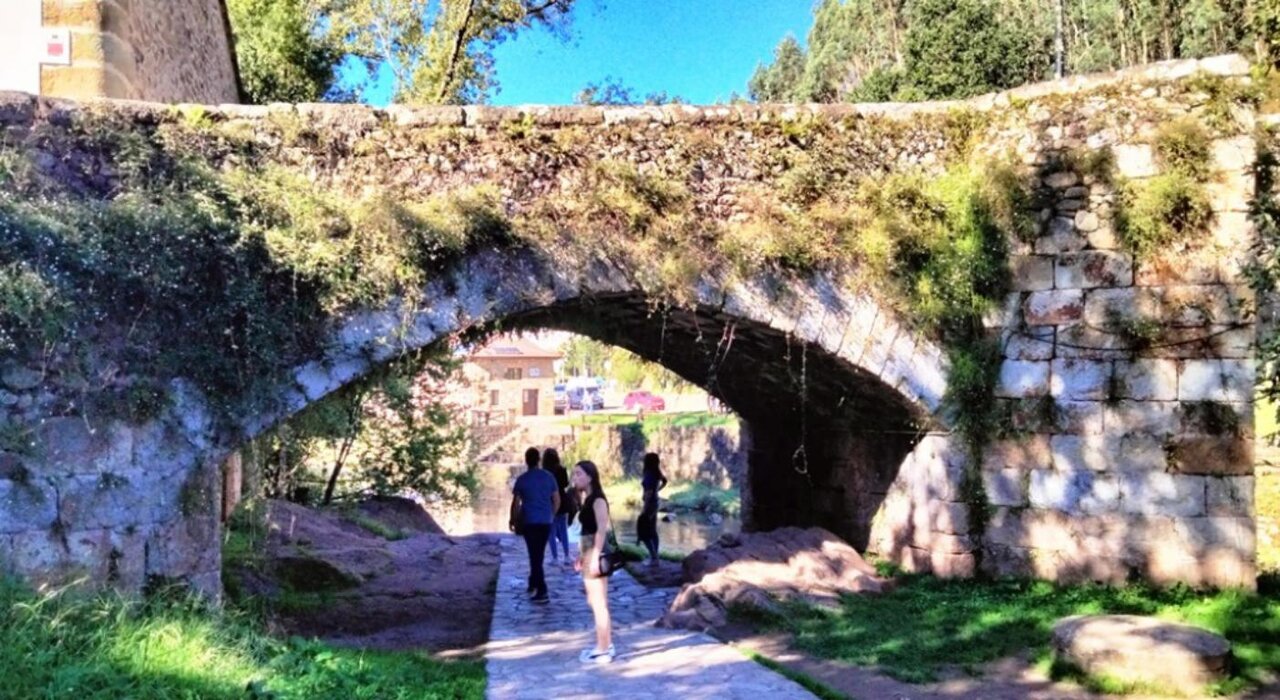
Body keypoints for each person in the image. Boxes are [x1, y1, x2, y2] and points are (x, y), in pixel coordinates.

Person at [572, 460, 614, 664]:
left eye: (579, 474)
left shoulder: (598, 500)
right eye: (574, 474)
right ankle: (606, 642)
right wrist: (582, 556)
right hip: (588, 551)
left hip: (595, 551)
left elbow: (601, 530)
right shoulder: (587, 498)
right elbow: (586, 531)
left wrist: (595, 555)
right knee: (594, 600)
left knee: (599, 602)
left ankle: (603, 648)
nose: (575, 478)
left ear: (590, 476)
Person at [510, 447, 560, 603]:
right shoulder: (549, 477)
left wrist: (512, 519)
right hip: (546, 522)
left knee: (534, 554)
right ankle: (533, 581)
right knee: (538, 554)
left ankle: (542, 589)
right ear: (538, 460)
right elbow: (557, 500)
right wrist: (551, 514)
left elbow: (516, 503)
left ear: (526, 460)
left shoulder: (522, 480)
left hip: (529, 522)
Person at [542, 448, 573, 564]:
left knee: (551, 531)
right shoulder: (562, 470)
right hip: (563, 501)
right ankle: (566, 556)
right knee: (564, 530)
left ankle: (554, 558)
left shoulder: (544, 473)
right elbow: (565, 484)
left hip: (550, 501)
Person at [637, 452, 668, 565]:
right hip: (656, 502)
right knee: (653, 531)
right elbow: (665, 481)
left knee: (644, 532)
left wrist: (644, 509)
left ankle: (654, 557)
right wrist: (658, 490)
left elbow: (649, 492)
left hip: (649, 504)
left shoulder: (649, 474)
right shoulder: (656, 472)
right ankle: (655, 557)